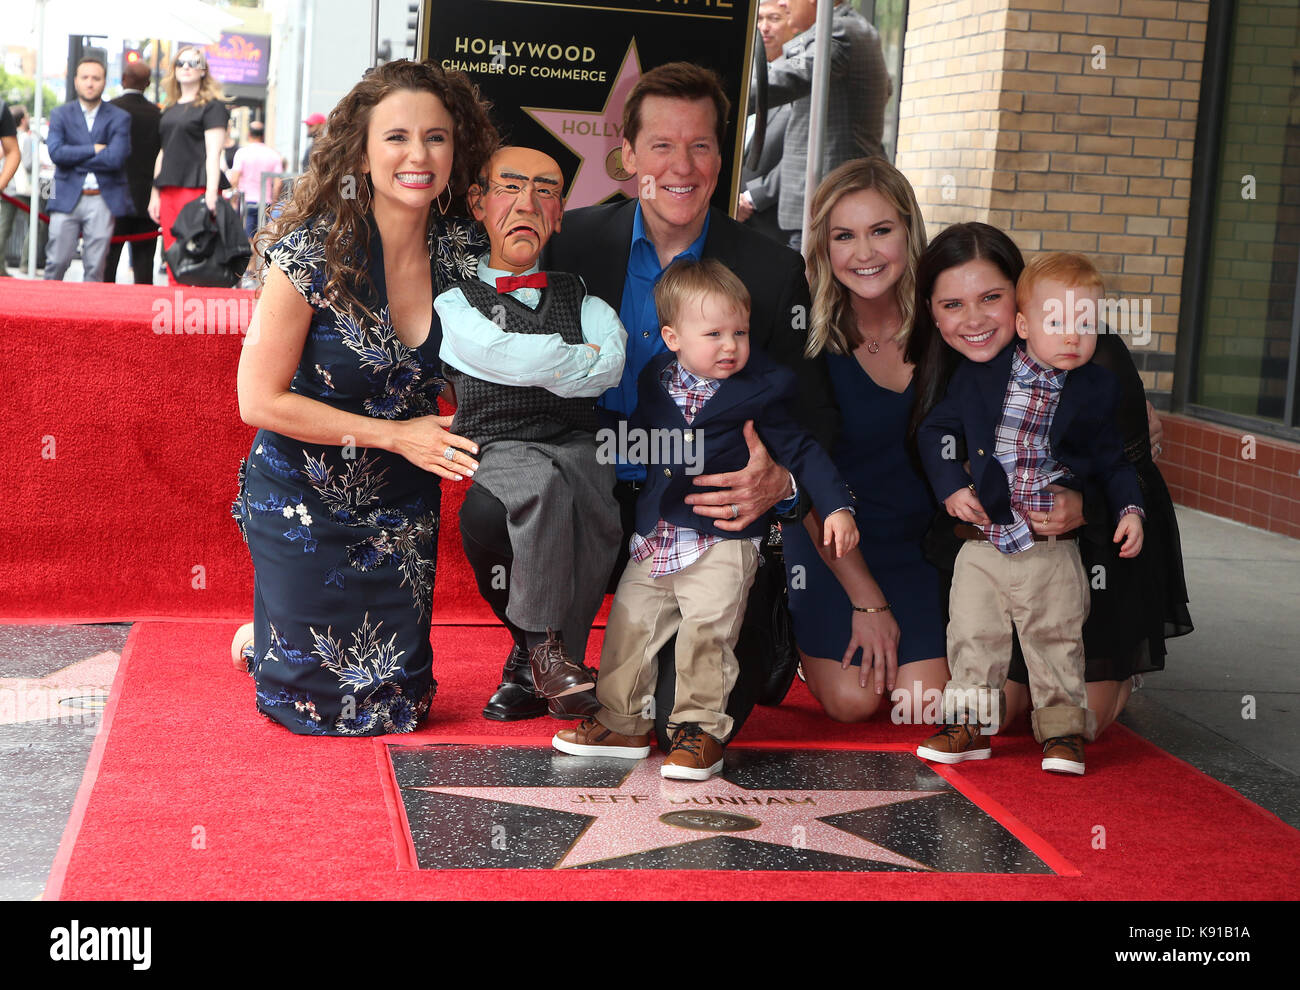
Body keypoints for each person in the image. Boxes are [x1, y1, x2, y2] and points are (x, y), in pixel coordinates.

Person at [461, 61, 837, 733]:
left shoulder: (773, 272)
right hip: (590, 485)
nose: (682, 164)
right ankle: (539, 648)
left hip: (705, 512)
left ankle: (754, 624)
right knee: (493, 505)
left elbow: (813, 415)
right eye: (662, 144)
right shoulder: (568, 242)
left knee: (668, 721)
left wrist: (781, 484)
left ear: (721, 158)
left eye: (700, 145)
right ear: (628, 154)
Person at [231, 59, 498, 735]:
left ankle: (266, 627)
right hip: (301, 496)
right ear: (361, 151)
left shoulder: (467, 252)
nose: (419, 155)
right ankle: (269, 629)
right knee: (320, 710)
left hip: (403, 506)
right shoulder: (303, 258)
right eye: (397, 137)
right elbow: (256, 401)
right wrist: (397, 433)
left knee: (400, 707)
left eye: (437, 137)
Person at [553, 258, 858, 780]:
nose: (730, 346)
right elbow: (643, 437)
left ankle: (700, 730)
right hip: (661, 533)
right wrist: (587, 429)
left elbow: (803, 451)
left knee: (708, 633)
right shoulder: (656, 379)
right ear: (672, 337)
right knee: (630, 625)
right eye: (713, 333)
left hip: (725, 539)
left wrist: (835, 504)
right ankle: (622, 720)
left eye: (739, 332)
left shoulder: (761, 393)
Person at [906, 222, 1192, 739]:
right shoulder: (962, 371)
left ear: (1016, 301)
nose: (973, 318)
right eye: (952, 304)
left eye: (989, 297)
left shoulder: (1095, 365)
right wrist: (955, 485)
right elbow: (934, 446)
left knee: (1079, 712)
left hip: (1096, 560)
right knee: (1000, 704)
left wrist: (1090, 506)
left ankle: (1113, 676)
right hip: (999, 552)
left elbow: (1130, 473)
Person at [435, 145, 627, 719]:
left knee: (598, 505)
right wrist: (569, 358)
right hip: (498, 444)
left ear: (560, 212)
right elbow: (498, 354)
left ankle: (543, 663)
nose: (528, 202)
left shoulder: (582, 295)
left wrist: (548, 362)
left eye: (545, 190)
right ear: (478, 203)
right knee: (540, 487)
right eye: (510, 186)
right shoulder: (455, 300)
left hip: (578, 442)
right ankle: (544, 649)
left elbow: (609, 369)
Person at [782, 157, 949, 724]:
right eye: (844, 236)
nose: (865, 252)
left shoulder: (948, 328)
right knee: (854, 704)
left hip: (918, 545)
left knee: (921, 705)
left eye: (881, 231)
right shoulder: (806, 338)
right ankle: (798, 636)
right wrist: (865, 598)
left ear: (909, 231)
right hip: (830, 541)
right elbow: (803, 476)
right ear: (824, 248)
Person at [760, 0, 892, 250]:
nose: (782, 2)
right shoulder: (858, 30)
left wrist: (721, 89)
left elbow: (787, 79)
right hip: (828, 203)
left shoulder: (838, 31)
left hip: (824, 205)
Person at [43, 57, 133, 282]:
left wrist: (73, 156)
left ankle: (88, 316)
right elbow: (56, 154)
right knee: (56, 262)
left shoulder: (120, 117)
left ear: (104, 82)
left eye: (96, 78)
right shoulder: (60, 114)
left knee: (96, 267)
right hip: (64, 194)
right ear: (76, 81)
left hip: (103, 198)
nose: (90, 83)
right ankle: (43, 314)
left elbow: (116, 158)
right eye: (85, 78)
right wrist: (94, 149)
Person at [148, 46, 229, 285]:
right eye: (181, 63)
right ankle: (176, 310)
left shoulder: (212, 106)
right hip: (168, 187)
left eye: (193, 63)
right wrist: (155, 193)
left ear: (204, 70)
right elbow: (163, 151)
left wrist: (212, 193)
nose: (186, 67)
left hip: (197, 188)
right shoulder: (170, 108)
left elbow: (214, 153)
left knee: (196, 252)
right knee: (172, 253)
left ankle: (195, 312)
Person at [736, 0, 796, 244]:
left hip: (771, 224)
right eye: (759, 19)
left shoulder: (801, 82)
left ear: (792, 22)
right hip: (730, 218)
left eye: (773, 18)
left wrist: (752, 197)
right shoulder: (742, 77)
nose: (764, 27)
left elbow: (800, 156)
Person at [104, 59, 162, 285]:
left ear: (123, 79)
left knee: (107, 267)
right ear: (148, 83)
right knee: (144, 268)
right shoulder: (157, 115)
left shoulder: (108, 110)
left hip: (112, 199)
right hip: (146, 200)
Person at [229, 121, 285, 240]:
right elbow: (278, 183)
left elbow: (234, 179)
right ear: (263, 136)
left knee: (247, 238)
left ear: (249, 134)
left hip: (246, 201)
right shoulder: (273, 154)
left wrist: (234, 198)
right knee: (262, 238)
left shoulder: (242, 153)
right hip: (266, 202)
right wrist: (274, 202)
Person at [0, 104, 27, 274]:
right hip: (24, 189)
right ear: (23, 120)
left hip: (20, 189)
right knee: (38, 225)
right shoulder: (30, 138)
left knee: (5, 227)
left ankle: (24, 263)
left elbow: (13, 153)